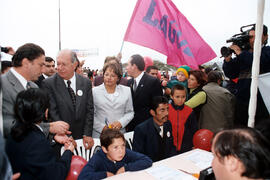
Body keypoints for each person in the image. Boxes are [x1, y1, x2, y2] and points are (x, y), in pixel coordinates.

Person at [1, 43, 68, 138]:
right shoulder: (3, 84)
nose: (42, 70)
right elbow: (6, 126)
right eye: (40, 65)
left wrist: (52, 134)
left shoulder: (33, 86)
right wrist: (48, 128)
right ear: (26, 63)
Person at [6, 88, 75, 180]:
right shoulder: (37, 142)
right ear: (45, 112)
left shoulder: (14, 131)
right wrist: (68, 152)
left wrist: (53, 138)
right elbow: (56, 175)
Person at [42, 49, 94, 149]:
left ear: (74, 65)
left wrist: (87, 134)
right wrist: (67, 136)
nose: (59, 68)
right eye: (58, 64)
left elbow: (89, 110)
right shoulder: (49, 84)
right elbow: (53, 112)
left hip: (82, 139)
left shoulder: (85, 83)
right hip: (61, 139)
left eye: (63, 64)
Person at [222, 24, 270, 126]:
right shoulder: (243, 55)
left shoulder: (267, 51)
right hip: (243, 104)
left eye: (257, 36)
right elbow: (231, 73)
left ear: (265, 37)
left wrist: (240, 53)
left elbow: (258, 61)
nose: (253, 40)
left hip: (263, 105)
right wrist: (228, 59)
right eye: (251, 37)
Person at [78, 129, 152, 180]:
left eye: (123, 145)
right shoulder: (98, 158)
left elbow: (147, 160)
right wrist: (105, 174)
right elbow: (82, 177)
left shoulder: (125, 152)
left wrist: (125, 168)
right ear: (105, 149)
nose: (121, 151)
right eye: (115, 147)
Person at [92, 63, 134, 138]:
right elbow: (90, 114)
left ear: (118, 78)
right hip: (100, 135)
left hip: (119, 134)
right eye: (106, 74)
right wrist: (102, 128)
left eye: (113, 76)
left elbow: (130, 112)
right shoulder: (94, 91)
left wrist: (120, 123)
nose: (109, 78)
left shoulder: (126, 90)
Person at [133, 96, 176, 162]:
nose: (167, 113)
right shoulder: (141, 130)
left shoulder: (168, 124)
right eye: (162, 110)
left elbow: (171, 147)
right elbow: (138, 156)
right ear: (152, 112)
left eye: (167, 109)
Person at [126, 54, 163, 131]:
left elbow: (158, 105)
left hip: (148, 127)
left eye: (128, 65)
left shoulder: (153, 82)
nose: (126, 68)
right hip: (131, 127)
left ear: (134, 66)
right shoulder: (129, 82)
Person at [168, 84, 198, 154]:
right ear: (171, 96)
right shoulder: (167, 110)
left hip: (186, 147)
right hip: (170, 147)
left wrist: (194, 144)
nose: (180, 100)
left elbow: (194, 129)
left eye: (183, 97)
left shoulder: (190, 111)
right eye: (177, 97)